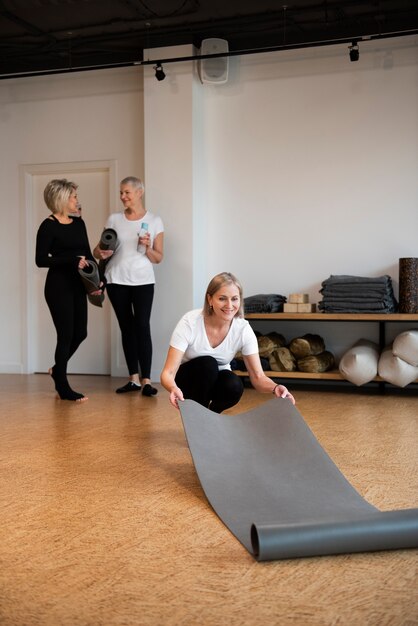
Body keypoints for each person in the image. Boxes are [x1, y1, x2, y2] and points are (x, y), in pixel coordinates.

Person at [161, 272, 295, 412]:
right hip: (187, 382)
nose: (229, 305)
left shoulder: (243, 329)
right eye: (222, 299)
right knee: (208, 364)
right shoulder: (190, 322)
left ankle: (212, 415)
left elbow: (258, 377)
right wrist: (173, 388)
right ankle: (197, 416)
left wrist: (276, 388)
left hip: (214, 382)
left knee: (234, 384)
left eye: (234, 299)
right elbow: (168, 373)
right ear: (210, 299)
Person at [94, 176, 164, 395]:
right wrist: (101, 253)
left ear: (139, 192)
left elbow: (158, 258)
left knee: (142, 326)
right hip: (116, 280)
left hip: (143, 280)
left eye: (127, 192)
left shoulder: (154, 221)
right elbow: (98, 251)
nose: (123, 196)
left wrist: (148, 246)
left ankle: (147, 381)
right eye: (121, 193)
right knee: (126, 328)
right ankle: (133, 379)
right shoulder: (114, 219)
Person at [35, 179, 101, 402]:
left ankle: (57, 369)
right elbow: (41, 260)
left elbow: (88, 255)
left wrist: (99, 280)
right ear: (62, 199)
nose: (77, 200)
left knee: (80, 332)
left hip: (78, 285)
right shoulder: (48, 226)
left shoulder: (78, 223)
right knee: (65, 335)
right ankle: (62, 386)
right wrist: (71, 261)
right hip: (58, 287)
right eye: (73, 197)